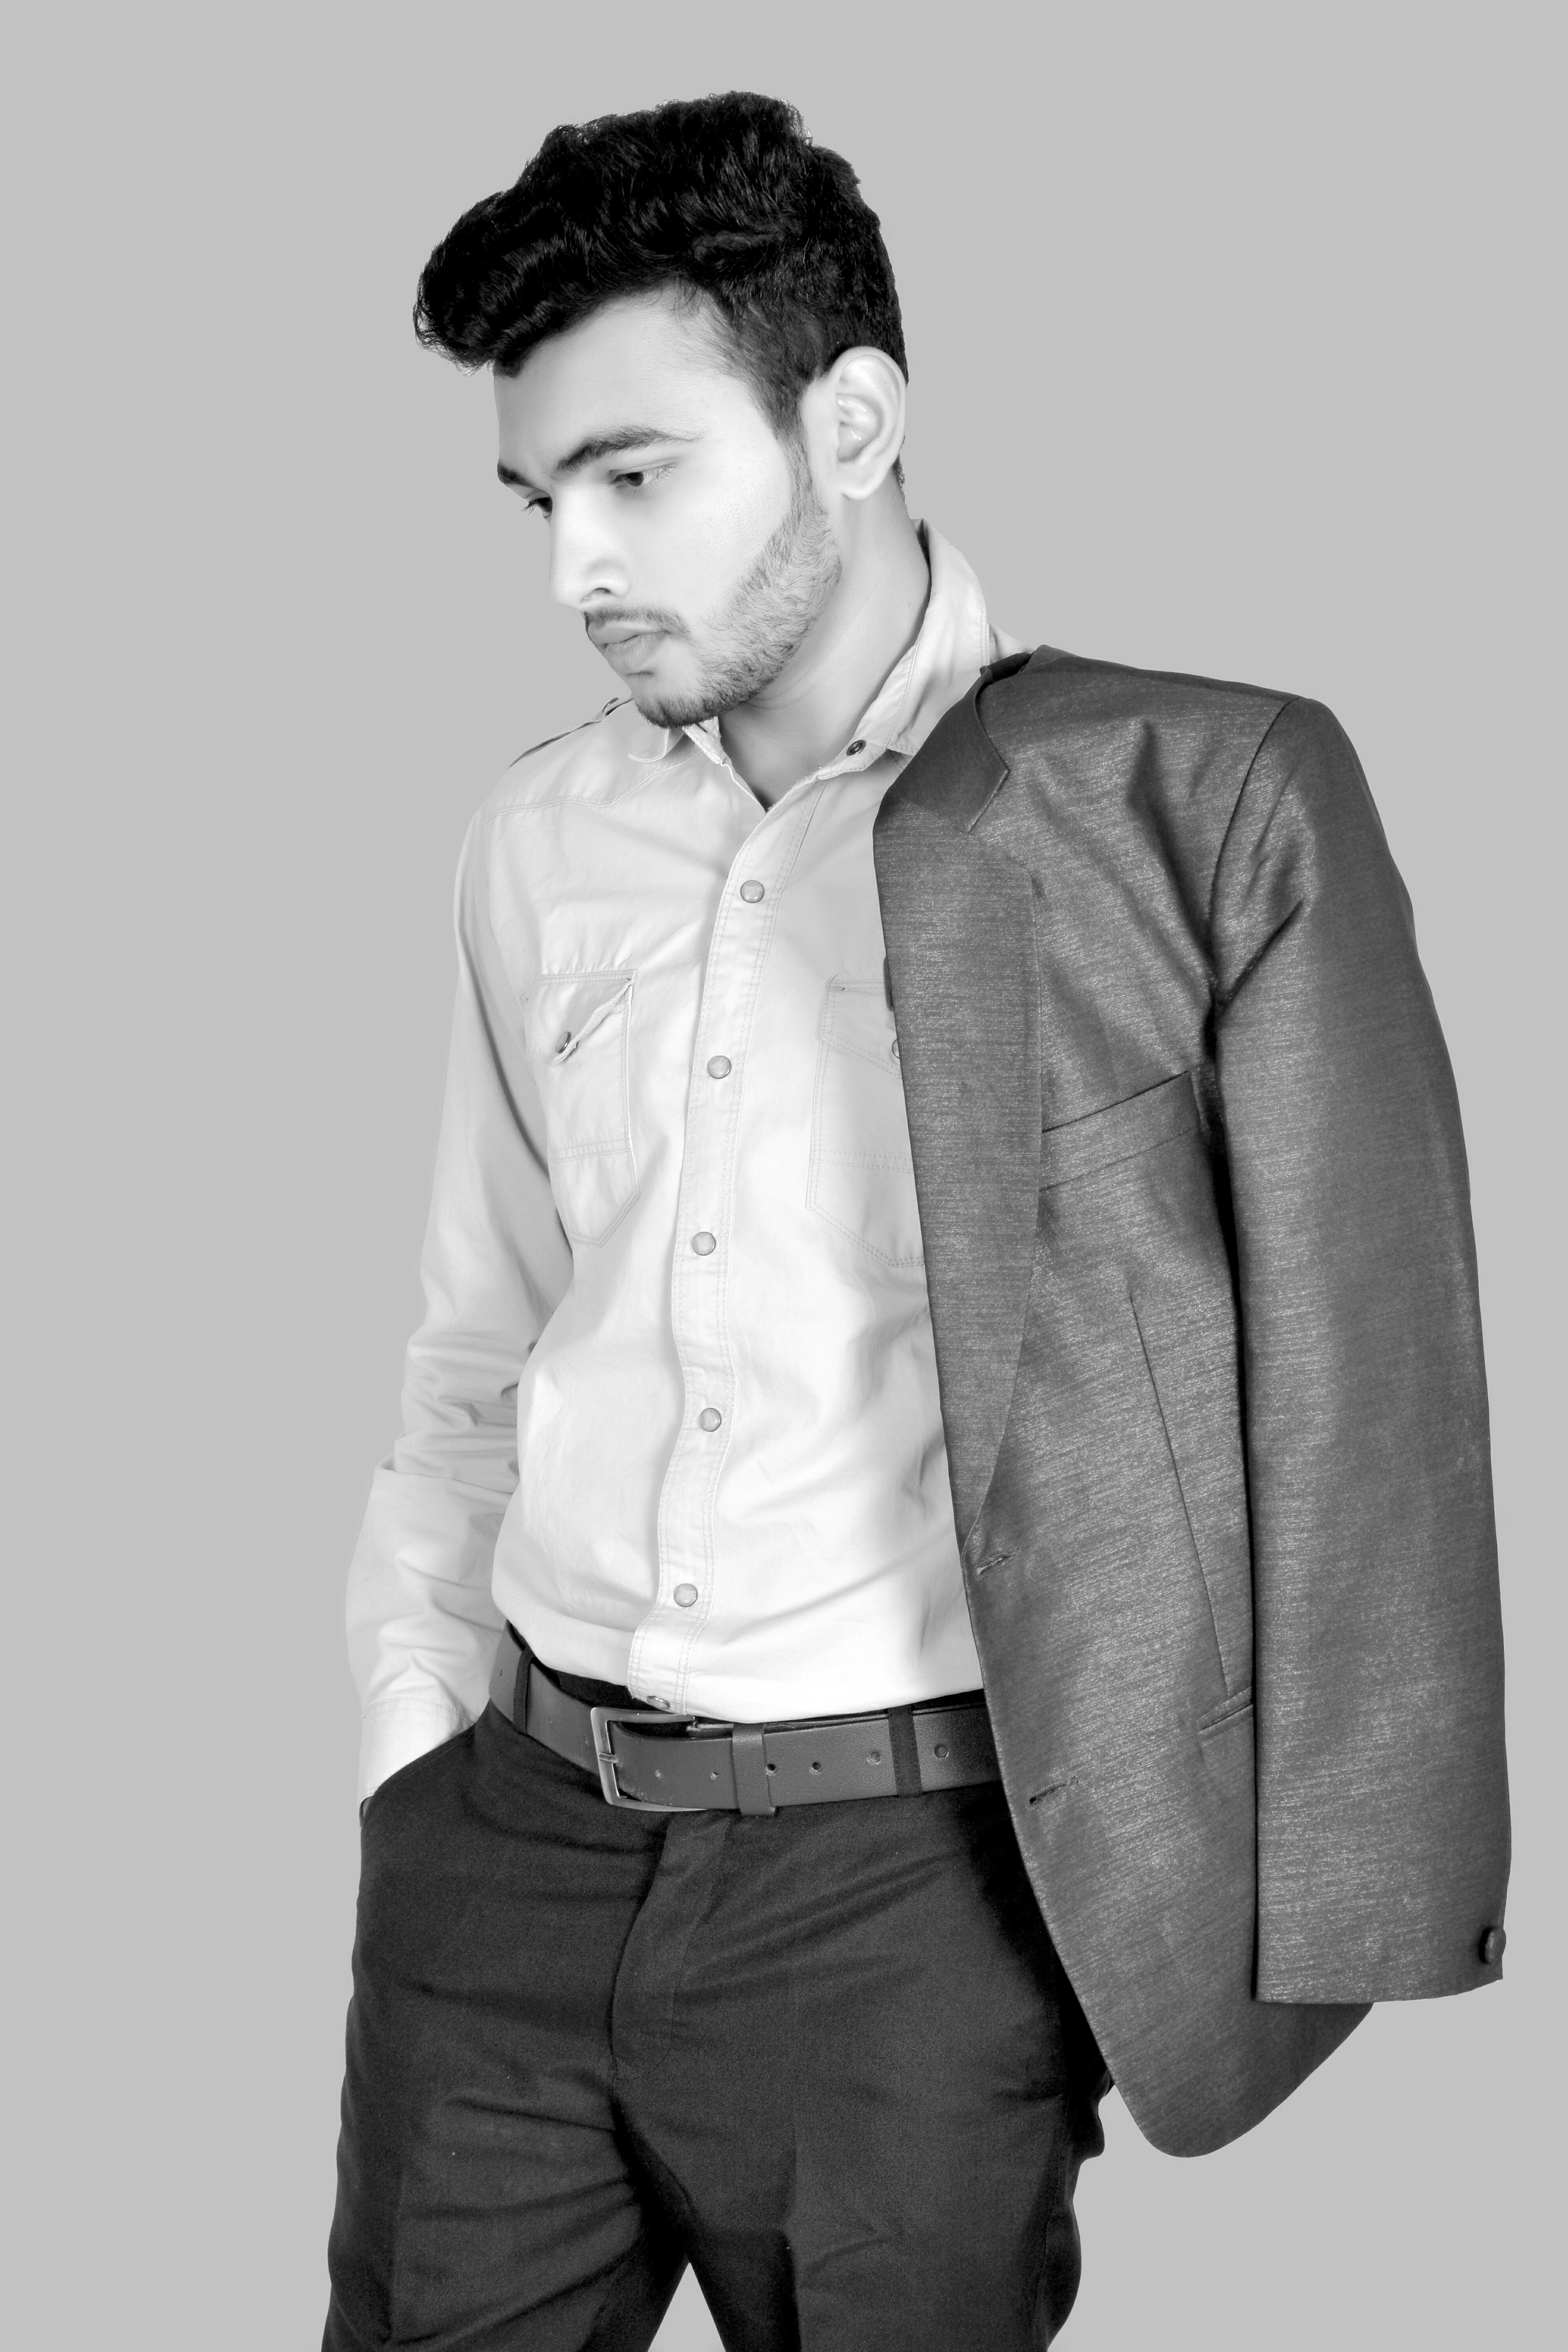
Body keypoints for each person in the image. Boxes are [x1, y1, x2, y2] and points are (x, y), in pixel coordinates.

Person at [323, 91, 1510, 2352]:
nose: (575, 566)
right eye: (542, 498)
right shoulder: (537, 839)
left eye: (635, 476)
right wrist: (413, 1764)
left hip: (908, 1892)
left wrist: (1348, 1896)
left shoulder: (1195, 798)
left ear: (852, 423)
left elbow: (1371, 1407)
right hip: (510, 1852)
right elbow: (482, 1337)